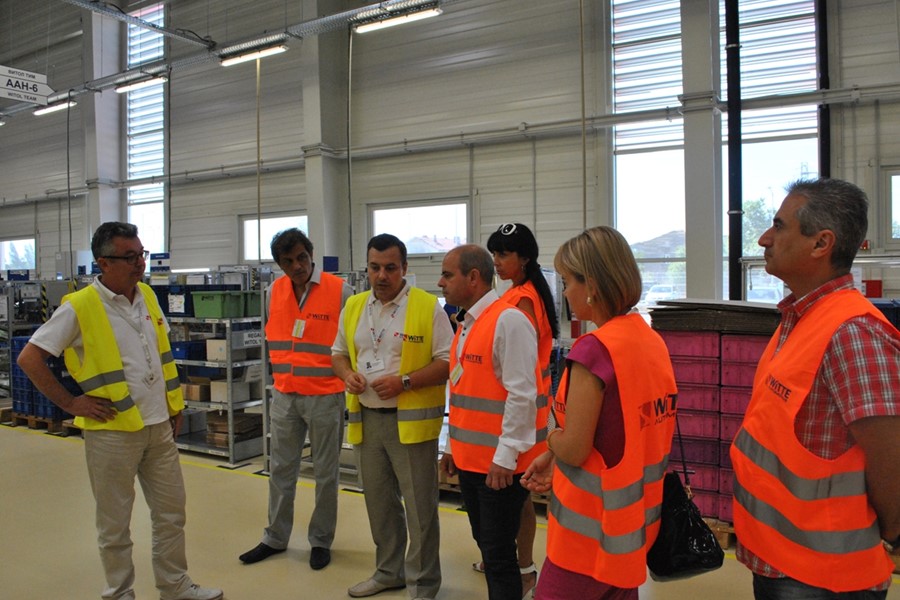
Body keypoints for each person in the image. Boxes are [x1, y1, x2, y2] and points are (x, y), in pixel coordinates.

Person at [16, 222, 222, 600]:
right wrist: (70, 403)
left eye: (141, 254)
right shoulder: (79, 307)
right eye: (129, 257)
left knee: (171, 514)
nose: (139, 263)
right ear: (104, 263)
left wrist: (174, 405)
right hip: (112, 431)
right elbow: (30, 358)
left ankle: (175, 586)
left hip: (159, 427)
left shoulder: (147, 296)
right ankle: (119, 592)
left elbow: (159, 357)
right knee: (115, 524)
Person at [729, 178, 900, 599]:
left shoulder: (853, 332)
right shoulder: (801, 319)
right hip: (781, 559)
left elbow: (891, 454)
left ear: (821, 243)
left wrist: (893, 531)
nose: (764, 239)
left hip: (822, 576)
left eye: (779, 226)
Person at [521, 226, 678, 600]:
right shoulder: (649, 341)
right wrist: (554, 457)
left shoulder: (594, 351)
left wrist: (551, 436)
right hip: (634, 526)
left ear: (590, 284)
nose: (565, 293)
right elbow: (615, 430)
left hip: (586, 536)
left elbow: (575, 448)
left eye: (567, 282)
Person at [331, 233, 453, 600]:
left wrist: (405, 382)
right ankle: (389, 572)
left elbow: (448, 362)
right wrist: (347, 375)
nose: (382, 275)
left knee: (420, 509)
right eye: (375, 267)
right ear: (367, 267)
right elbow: (338, 353)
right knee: (379, 503)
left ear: (404, 268)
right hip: (367, 420)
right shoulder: (354, 306)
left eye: (390, 268)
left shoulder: (428, 307)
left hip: (411, 423)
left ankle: (423, 585)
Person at [438, 244, 548, 600]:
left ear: (473, 277)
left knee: (499, 557)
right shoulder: (466, 324)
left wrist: (505, 457)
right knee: (487, 544)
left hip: (499, 468)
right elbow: (463, 390)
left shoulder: (508, 321)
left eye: (447, 275)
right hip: (471, 461)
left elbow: (522, 394)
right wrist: (451, 446)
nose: (440, 282)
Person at [239, 228, 352, 570]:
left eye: (302, 257)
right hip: (285, 395)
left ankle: (321, 540)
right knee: (280, 470)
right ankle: (275, 537)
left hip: (325, 395)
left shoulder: (340, 291)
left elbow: (352, 343)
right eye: (288, 261)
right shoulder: (273, 292)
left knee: (326, 473)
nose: (297, 266)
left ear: (311, 254)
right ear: (279, 264)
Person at [481, 222, 560, 596]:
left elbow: (520, 373)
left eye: (504, 254)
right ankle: (510, 559)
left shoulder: (522, 302)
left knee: (519, 496)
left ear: (525, 258)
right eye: (494, 254)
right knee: (518, 496)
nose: (497, 261)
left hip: (527, 414)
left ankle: (524, 567)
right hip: (528, 412)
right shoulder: (518, 293)